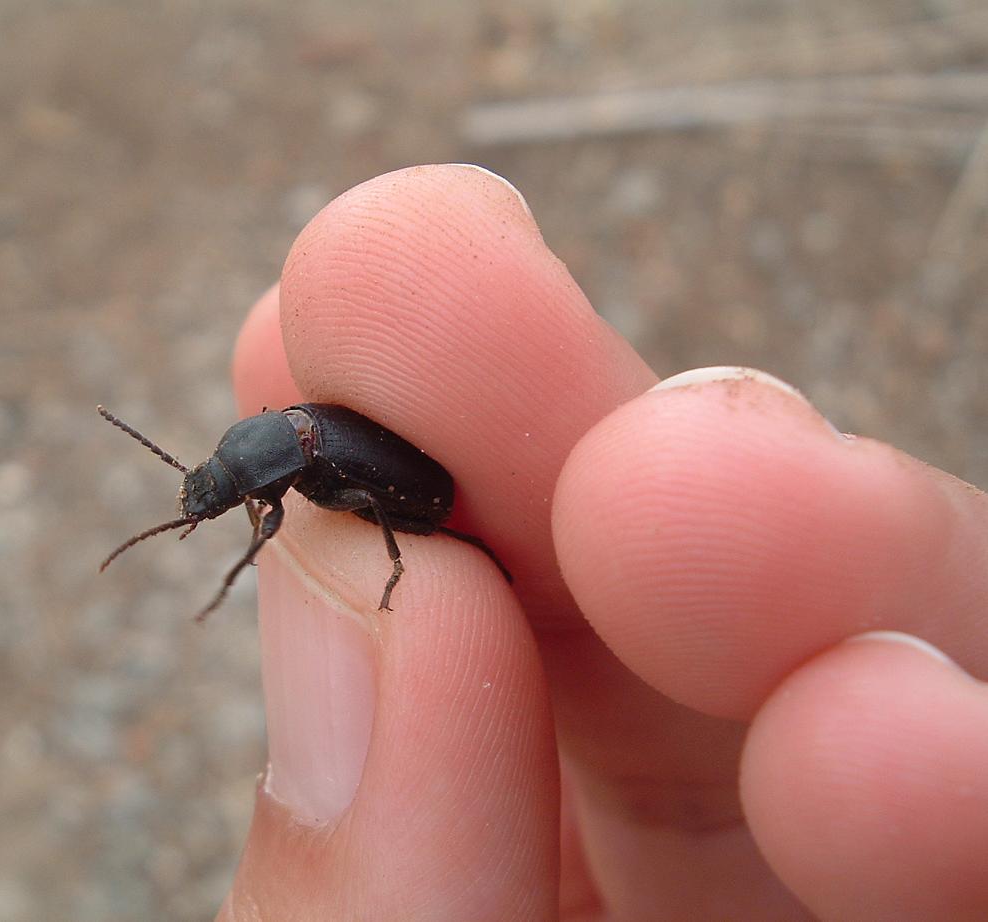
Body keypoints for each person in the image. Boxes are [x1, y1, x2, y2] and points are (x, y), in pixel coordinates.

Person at [216, 165, 988, 921]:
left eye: (229, 493)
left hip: (429, 500)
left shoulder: (306, 457)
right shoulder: (288, 443)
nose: (228, 501)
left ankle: (398, 564)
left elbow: (378, 497)